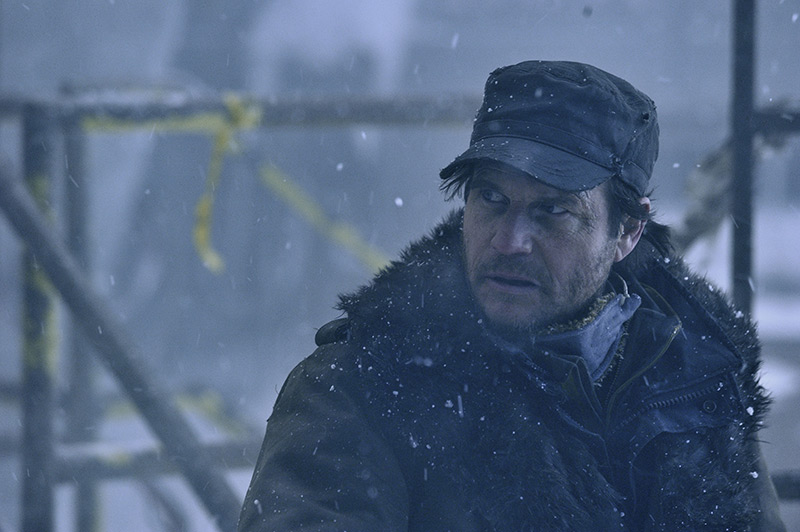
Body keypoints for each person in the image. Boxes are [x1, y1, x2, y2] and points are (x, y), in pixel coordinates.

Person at [238, 60, 786, 531]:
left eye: (553, 210)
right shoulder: (364, 385)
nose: (508, 241)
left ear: (627, 232)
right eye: (492, 198)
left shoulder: (700, 381)